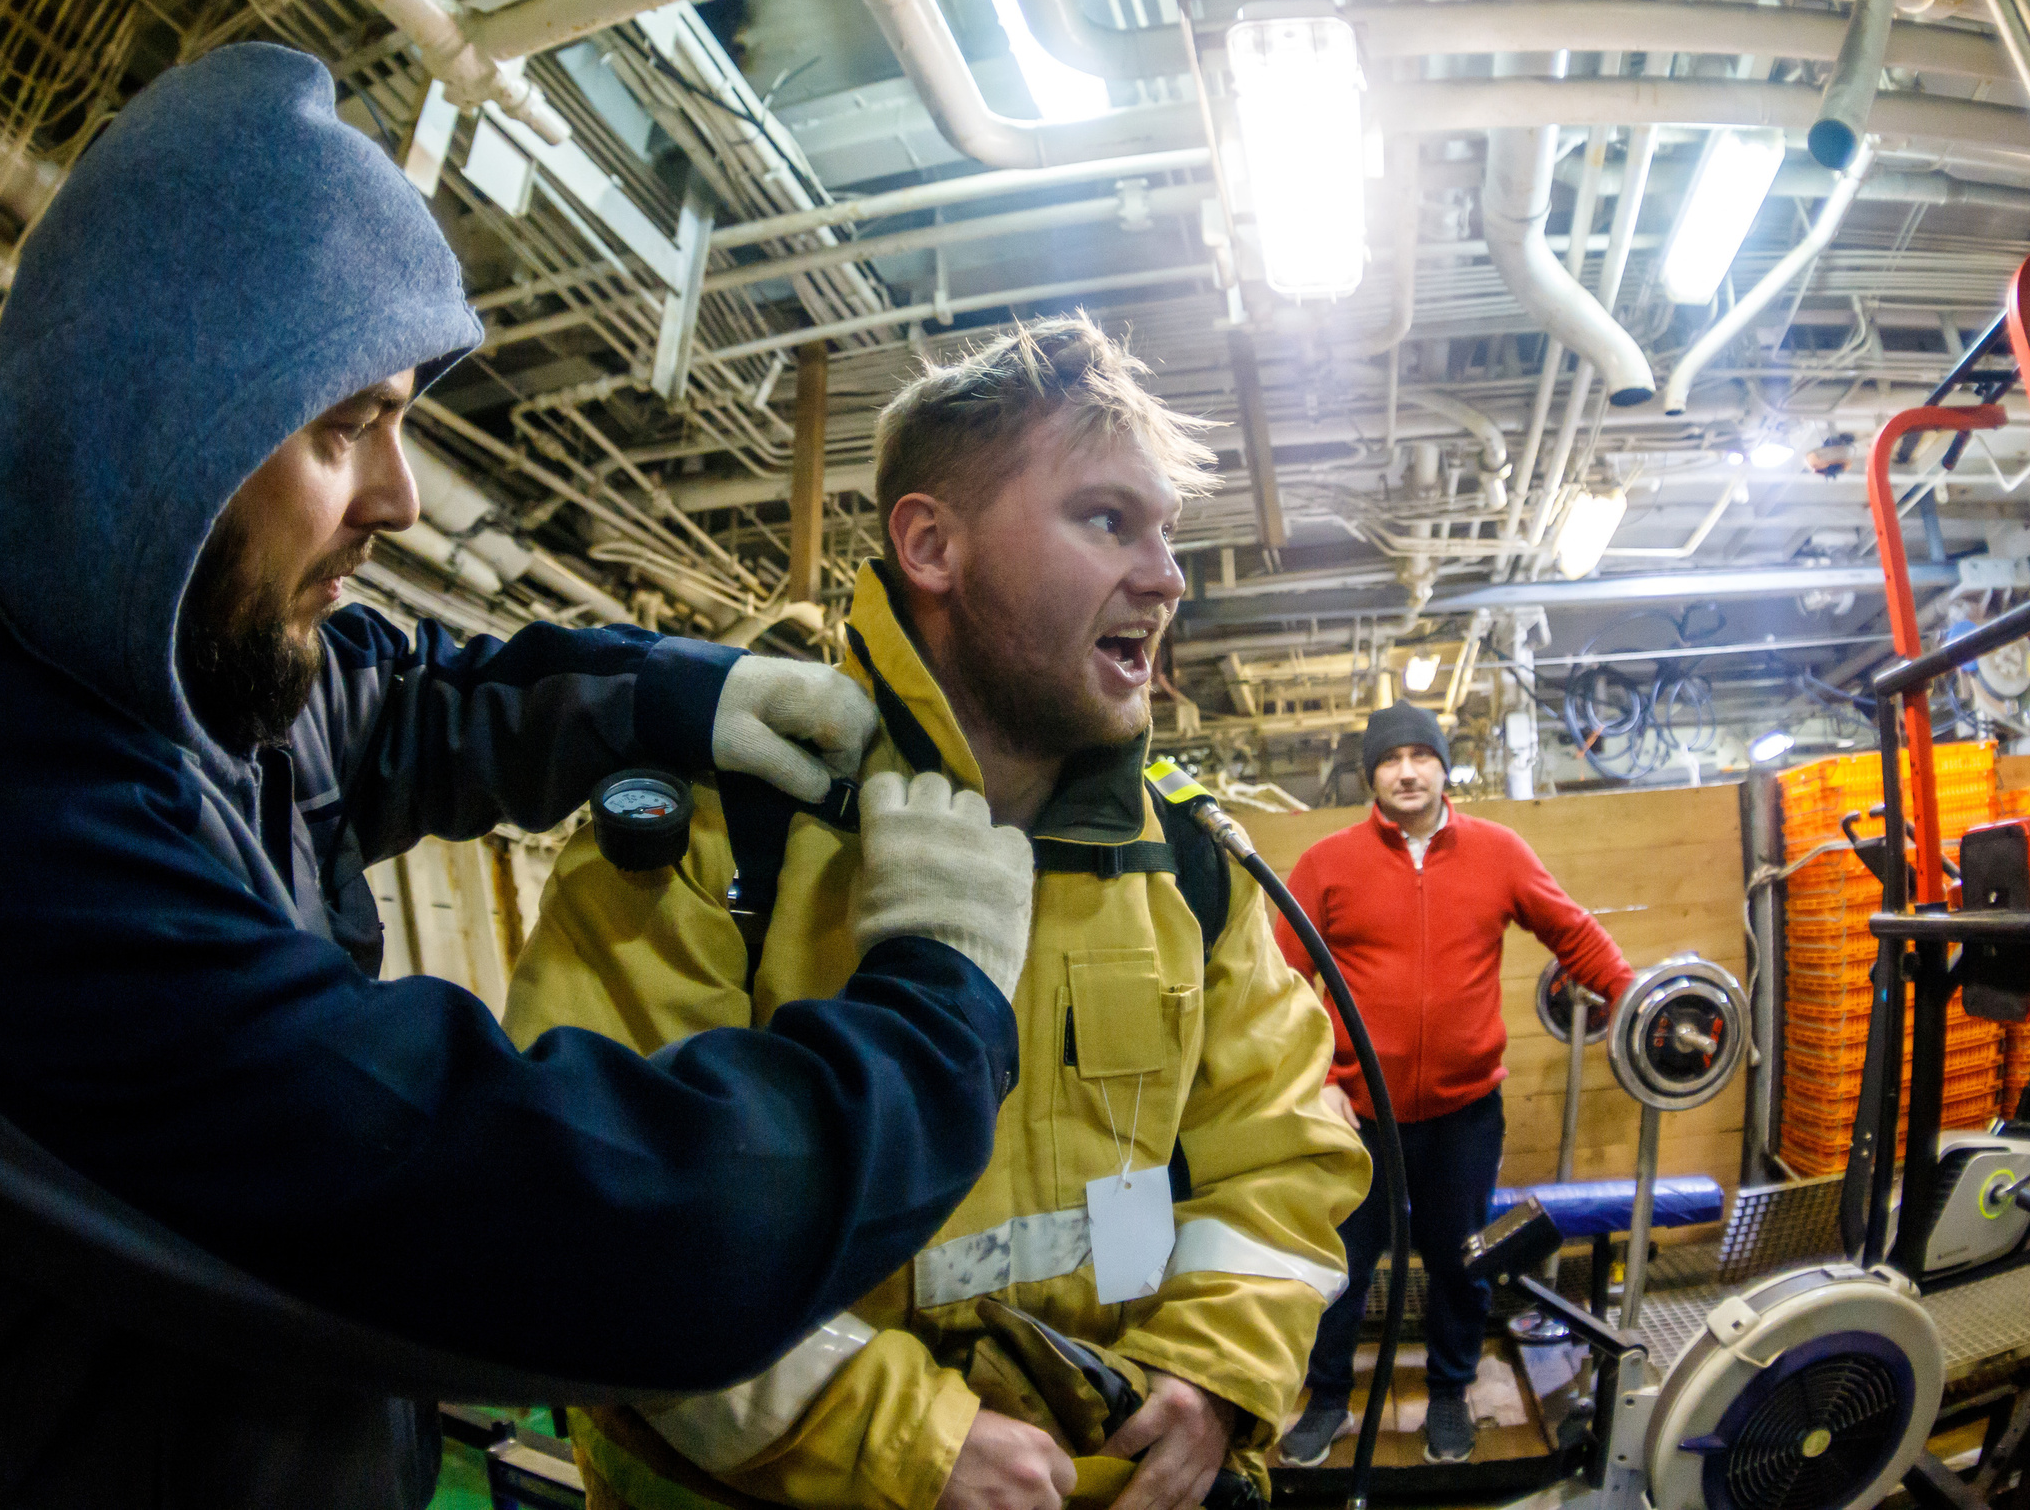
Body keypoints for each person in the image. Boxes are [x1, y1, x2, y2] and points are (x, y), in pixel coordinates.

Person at [0, 43, 1037, 1510]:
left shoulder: (182, 666)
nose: (395, 494)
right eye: (344, 426)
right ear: (161, 449)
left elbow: (410, 705)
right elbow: (572, 1220)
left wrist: (681, 694)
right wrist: (941, 1009)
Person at [505, 317, 1371, 1510]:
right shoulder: (717, 843)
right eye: (1107, 520)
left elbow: (1280, 1150)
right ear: (932, 545)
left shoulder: (1186, 867)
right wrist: (902, 1439)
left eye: (1165, 531)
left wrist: (1216, 1372)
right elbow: (598, 1231)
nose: (1169, 577)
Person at [1272, 703, 1635, 1467]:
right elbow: (1276, 983)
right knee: (1339, 1262)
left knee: (1459, 1261)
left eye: (1421, 755)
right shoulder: (1326, 863)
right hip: (1358, 1114)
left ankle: (1448, 1392)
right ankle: (1329, 1397)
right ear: (1370, 774)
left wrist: (1633, 1001)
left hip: (1465, 1112)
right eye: (1390, 758)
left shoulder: (1499, 852)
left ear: (1443, 766)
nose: (1407, 770)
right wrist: (1314, 1081)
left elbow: (1573, 931)